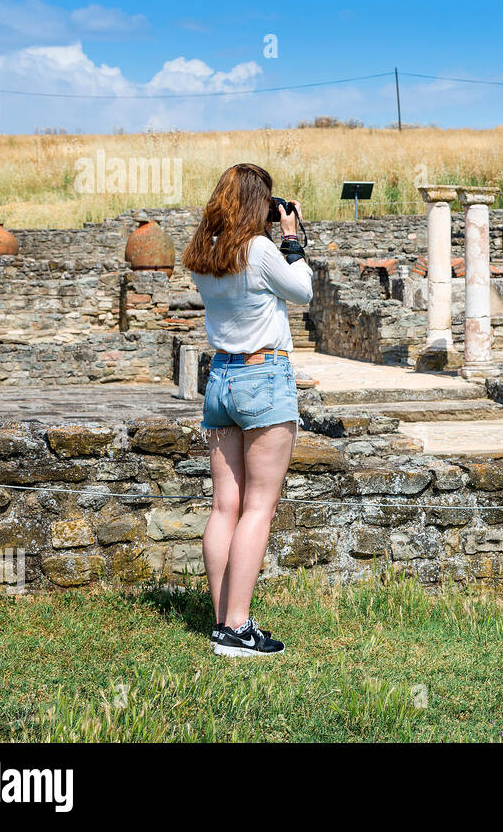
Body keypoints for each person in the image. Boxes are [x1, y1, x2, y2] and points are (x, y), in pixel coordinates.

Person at [182, 163, 312, 657]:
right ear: (260, 202)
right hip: (263, 376)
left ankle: (223, 621)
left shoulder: (204, 251)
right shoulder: (260, 250)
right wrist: (292, 237)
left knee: (224, 507)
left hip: (221, 377)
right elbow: (303, 291)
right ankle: (237, 629)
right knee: (259, 506)